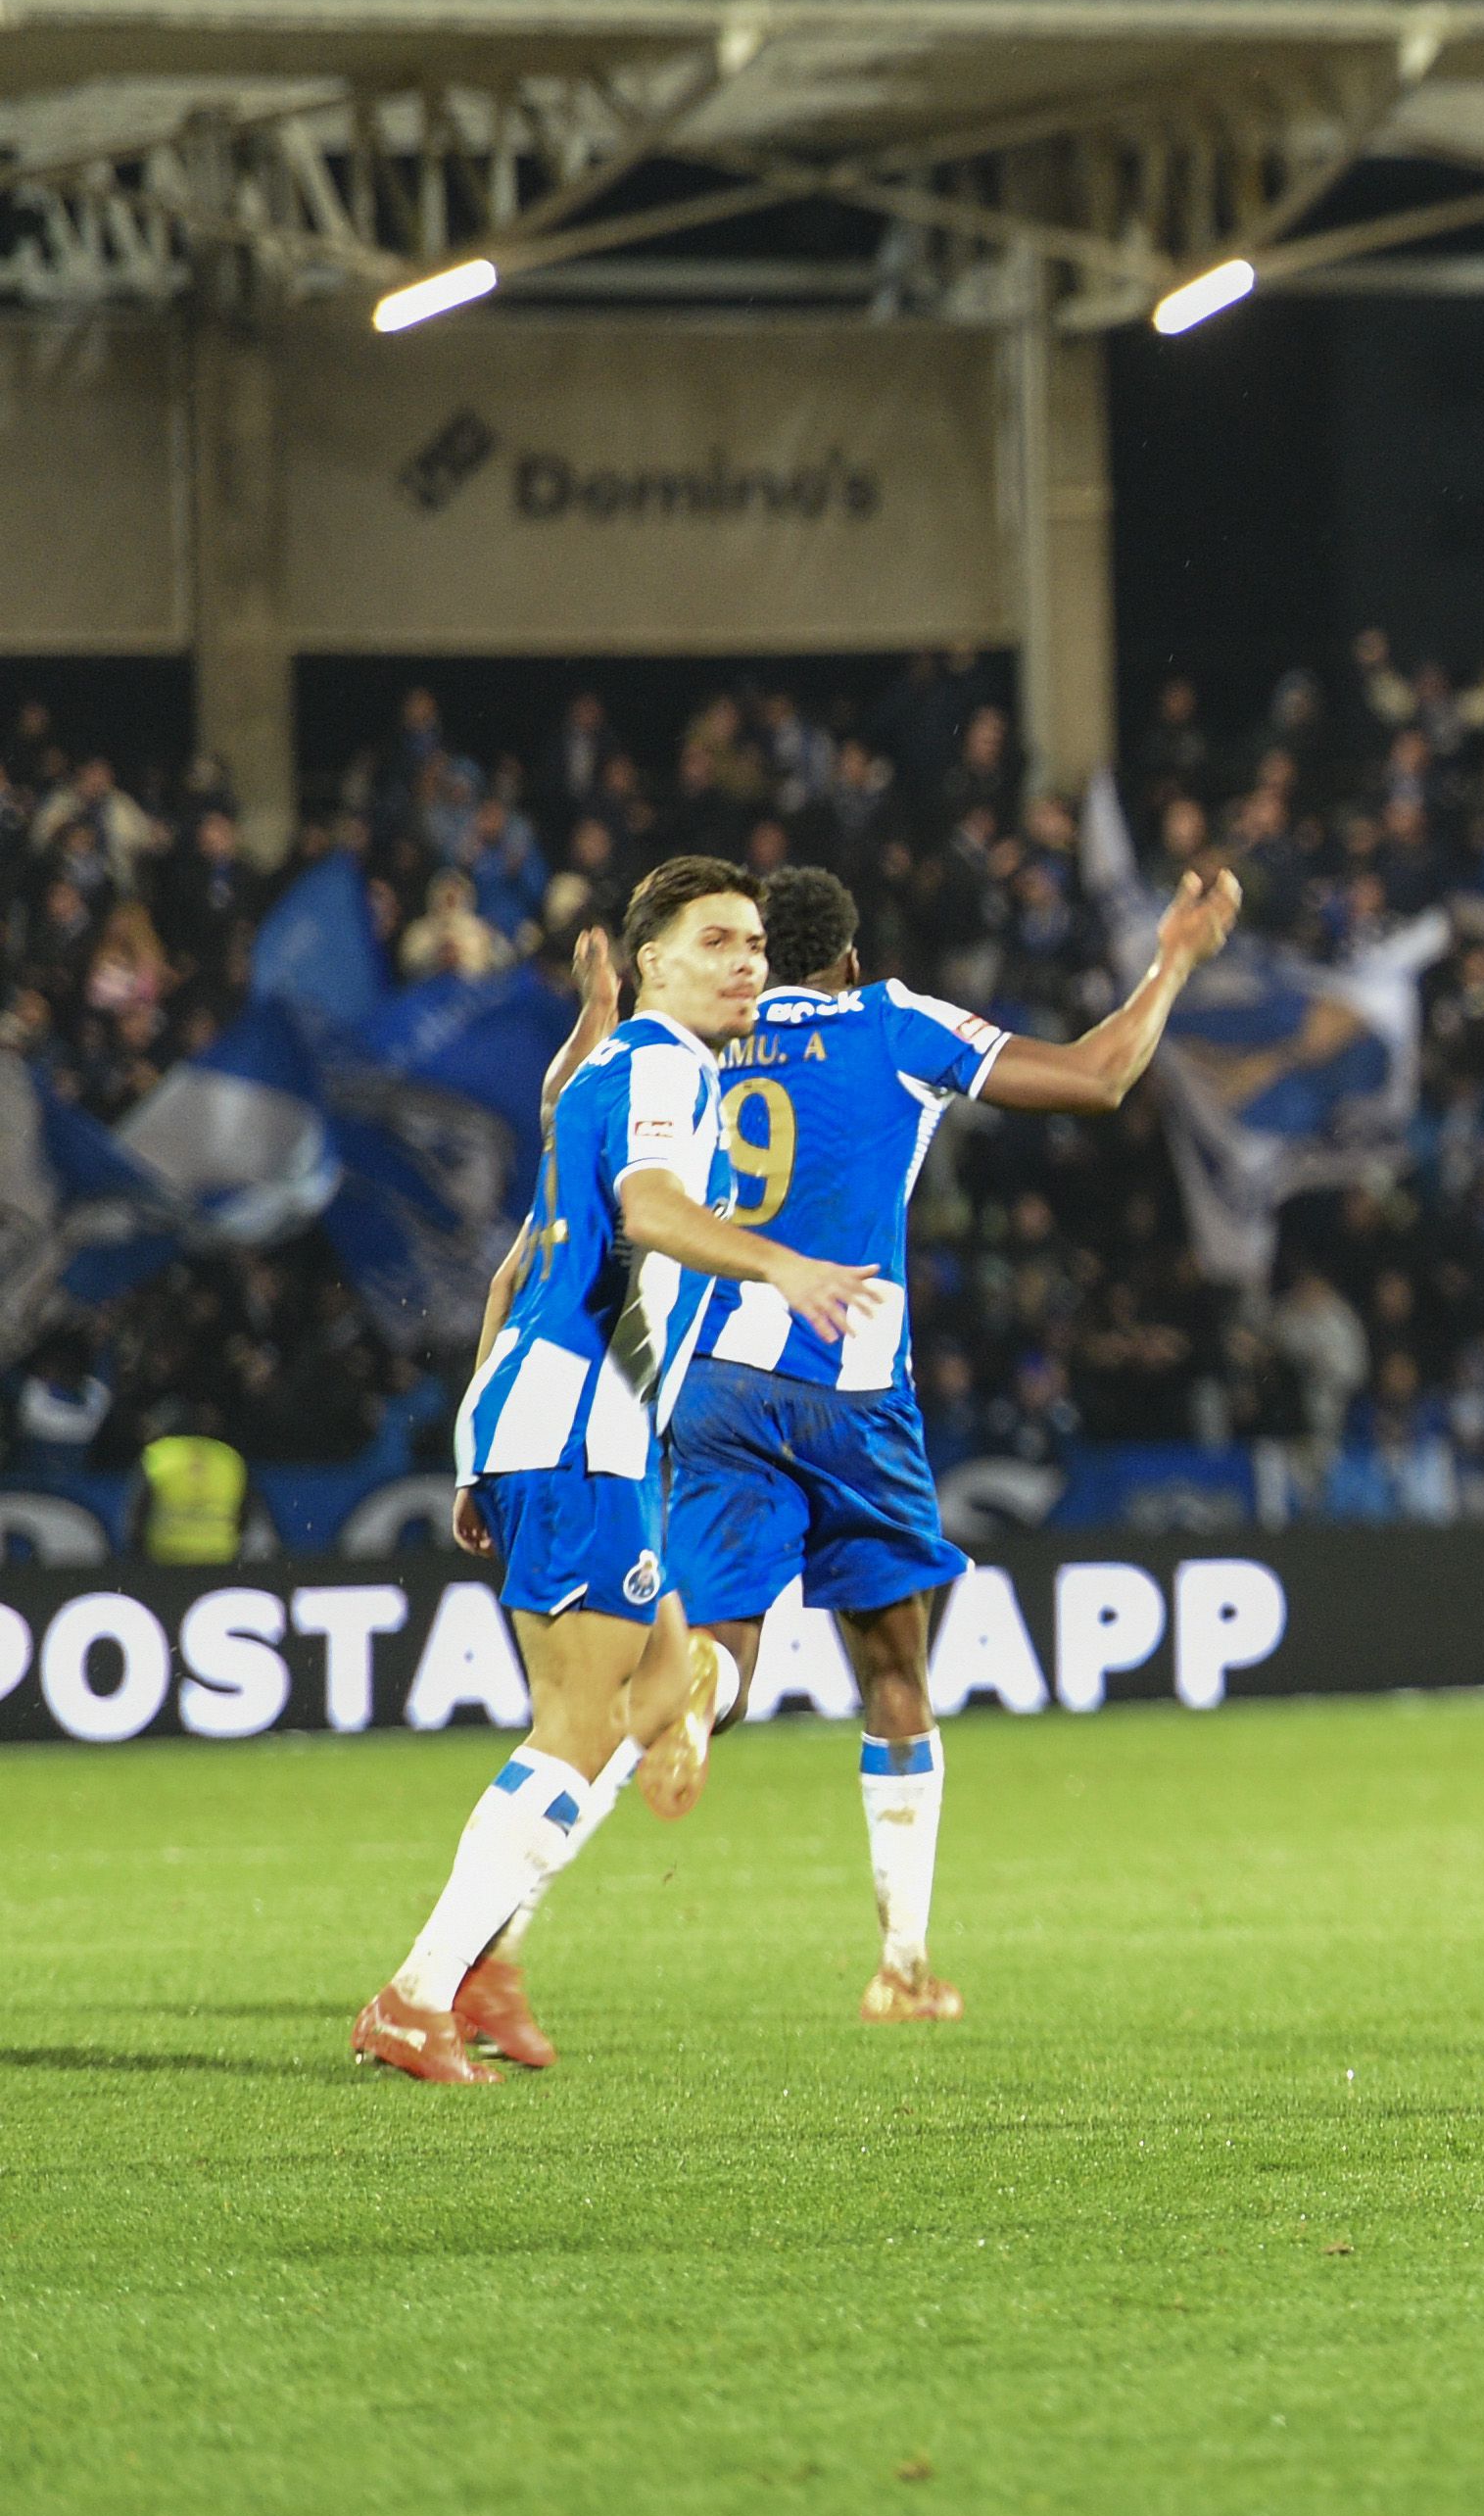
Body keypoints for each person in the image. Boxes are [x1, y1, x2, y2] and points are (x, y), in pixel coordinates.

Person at [650, 860, 1240, 2022]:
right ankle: (901, 1964)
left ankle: (693, 1695)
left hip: (712, 1382)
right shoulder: (892, 1020)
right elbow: (1098, 1075)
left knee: (725, 1642)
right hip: (852, 1388)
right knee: (896, 1673)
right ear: (851, 959)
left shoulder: (693, 1034)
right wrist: (1173, 957)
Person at [354, 858, 874, 2085]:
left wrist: (480, 1444)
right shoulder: (660, 1068)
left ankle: (482, 1966)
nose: (747, 960)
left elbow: (520, 1266)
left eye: (754, 942)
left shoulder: (599, 1071)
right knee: (579, 1727)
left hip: (569, 1424)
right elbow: (645, 1208)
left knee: (659, 1689)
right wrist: (783, 1268)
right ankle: (418, 1993)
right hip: (585, 1423)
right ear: (654, 963)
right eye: (716, 941)